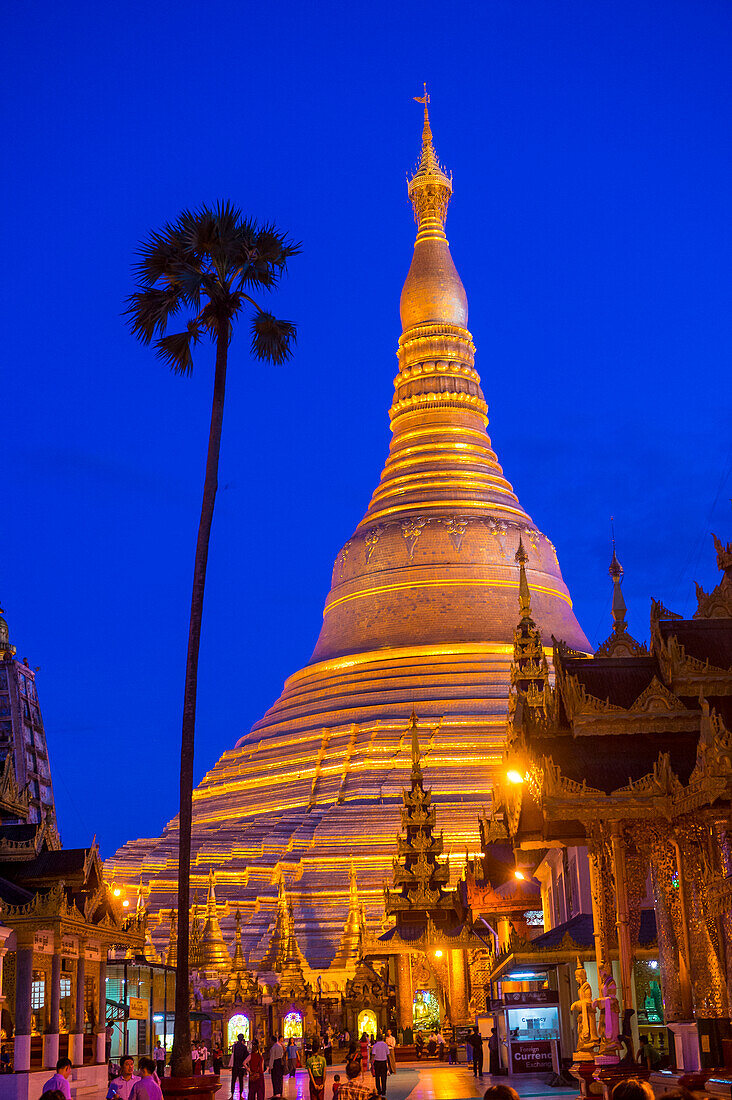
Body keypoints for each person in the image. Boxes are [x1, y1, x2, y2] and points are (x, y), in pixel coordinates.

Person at [229, 1032, 249, 1100]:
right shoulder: (244, 1047)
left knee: (233, 1080)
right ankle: (240, 1095)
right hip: (241, 1066)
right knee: (241, 1080)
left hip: (235, 1066)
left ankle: (232, 1095)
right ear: (242, 1039)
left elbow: (233, 1055)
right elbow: (246, 1056)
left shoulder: (234, 1046)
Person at [371, 1033, 390, 1098]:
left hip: (377, 1062)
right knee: (384, 1077)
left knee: (377, 1077)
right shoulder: (385, 1045)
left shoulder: (375, 1045)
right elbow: (388, 1054)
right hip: (383, 1062)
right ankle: (384, 1090)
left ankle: (379, 1090)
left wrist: (371, 1062)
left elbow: (373, 1054)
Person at [269, 1033, 285, 1099]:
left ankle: (276, 1093)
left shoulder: (273, 1047)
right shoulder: (280, 1046)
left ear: (272, 1041)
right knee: (280, 1078)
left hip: (275, 1063)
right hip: (280, 1062)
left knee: (275, 1079)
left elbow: (272, 1057)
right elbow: (282, 1054)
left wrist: (270, 1067)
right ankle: (280, 1093)